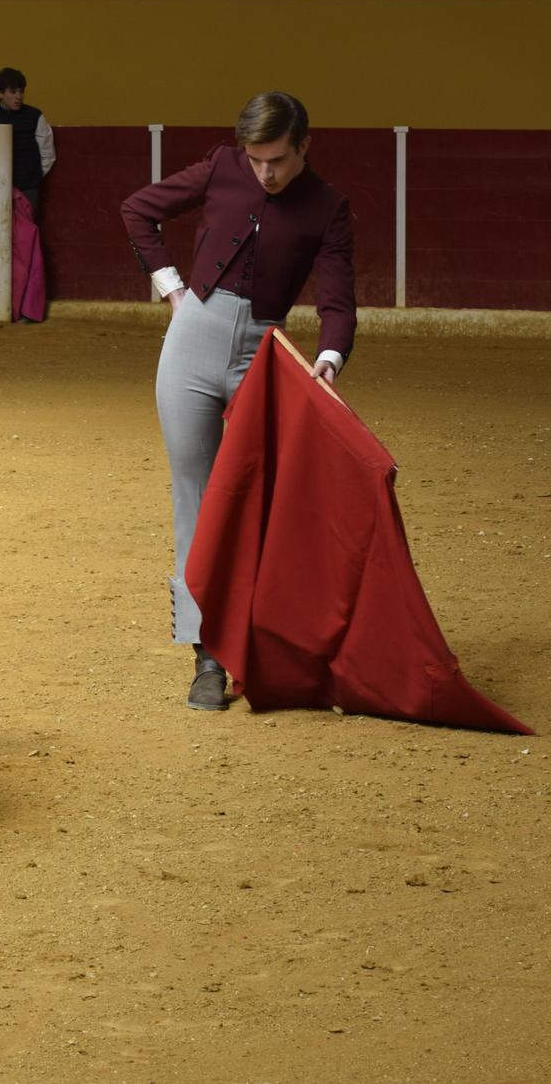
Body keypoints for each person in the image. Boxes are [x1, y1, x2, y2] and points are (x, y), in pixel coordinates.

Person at [120, 91, 356, 712]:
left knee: (259, 503)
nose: (265, 173)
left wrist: (328, 361)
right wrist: (173, 292)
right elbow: (138, 210)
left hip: (264, 356)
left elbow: (338, 303)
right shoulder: (223, 165)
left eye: (277, 160)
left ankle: (262, 641)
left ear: (305, 147)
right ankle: (205, 657)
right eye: (256, 161)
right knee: (193, 501)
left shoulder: (329, 207)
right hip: (192, 342)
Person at [0, 66, 55, 322]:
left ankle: (25, 308)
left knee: (24, 245)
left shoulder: (35, 117)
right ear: (1, 93)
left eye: (21, 91)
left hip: (26, 189)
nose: (18, 96)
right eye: (12, 91)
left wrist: (30, 180)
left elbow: (47, 156)